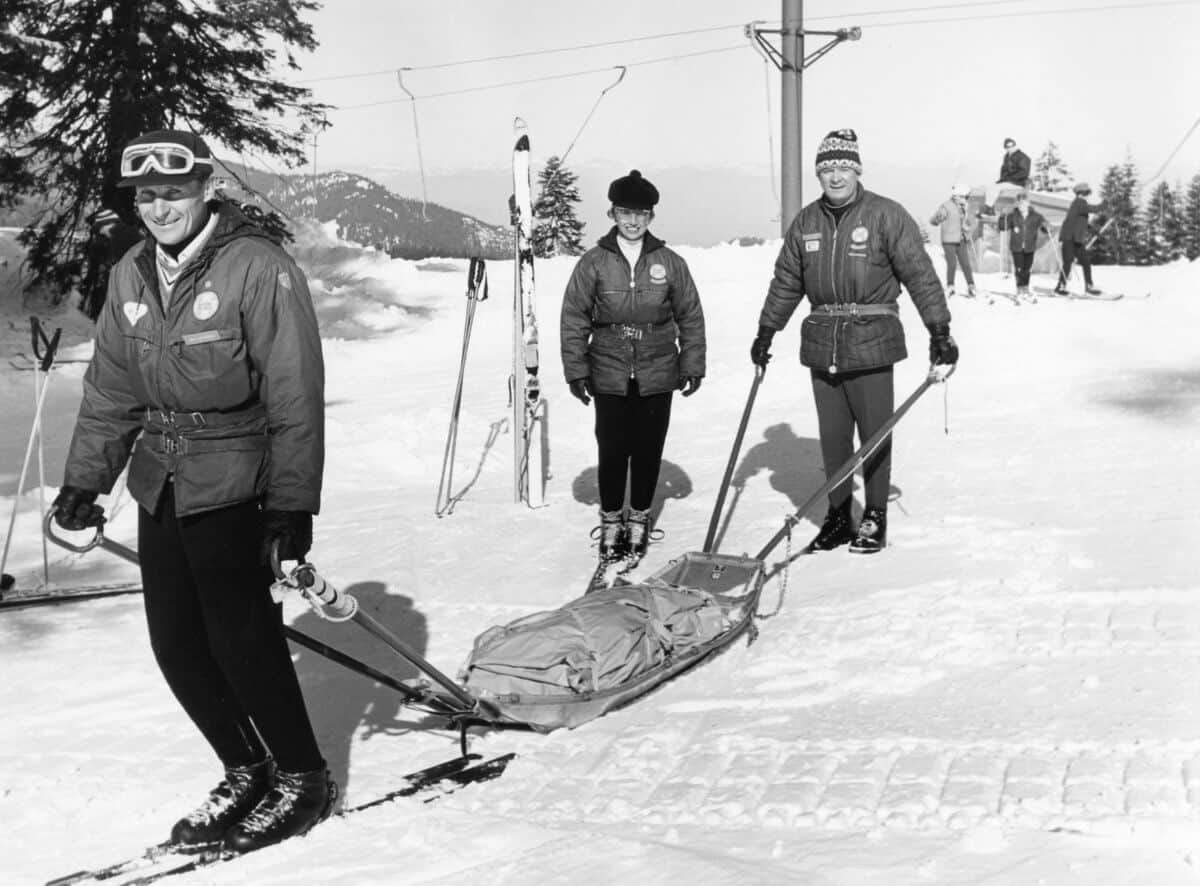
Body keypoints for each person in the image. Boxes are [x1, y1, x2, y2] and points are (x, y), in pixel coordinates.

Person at [53, 129, 335, 854]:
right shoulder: (132, 273)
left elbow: (295, 394)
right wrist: (87, 479)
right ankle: (247, 770)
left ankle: (303, 779)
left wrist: (292, 505)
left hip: (237, 477)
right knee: (176, 644)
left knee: (243, 640)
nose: (158, 207)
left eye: (173, 193)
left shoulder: (257, 267)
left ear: (206, 188)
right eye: (146, 196)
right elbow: (112, 387)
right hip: (161, 480)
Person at [749, 129, 958, 555]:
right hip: (823, 340)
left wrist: (940, 330)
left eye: (843, 167)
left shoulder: (886, 215)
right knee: (834, 436)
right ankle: (839, 515)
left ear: (857, 169)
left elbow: (920, 275)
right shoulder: (806, 222)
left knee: (875, 434)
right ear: (818, 174)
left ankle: (874, 515)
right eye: (827, 169)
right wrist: (767, 330)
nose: (835, 176)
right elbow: (787, 282)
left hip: (872, 338)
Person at [560, 169, 706, 568]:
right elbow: (574, 317)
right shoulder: (594, 263)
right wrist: (577, 369)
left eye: (641, 213)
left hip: (658, 367)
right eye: (625, 212)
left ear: (651, 217)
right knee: (612, 447)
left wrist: (692, 363)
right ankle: (611, 522)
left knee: (647, 448)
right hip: (608, 366)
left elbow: (690, 315)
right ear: (612, 213)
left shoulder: (669, 262)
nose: (633, 220)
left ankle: (639, 517)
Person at [999, 190, 1050, 302]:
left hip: (1030, 246)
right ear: (1017, 203)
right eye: (1019, 203)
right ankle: (1019, 288)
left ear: (1028, 203)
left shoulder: (1036, 216)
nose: (1021, 205)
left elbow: (1045, 228)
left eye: (1024, 202)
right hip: (1016, 246)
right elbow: (1002, 227)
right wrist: (1002, 216)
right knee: (1019, 268)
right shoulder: (1012, 216)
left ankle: (1025, 287)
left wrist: (1046, 226)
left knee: (1027, 269)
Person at [929, 184, 978, 298]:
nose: (965, 199)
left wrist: (968, 225)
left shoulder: (964, 207)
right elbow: (934, 221)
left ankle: (971, 287)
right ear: (957, 196)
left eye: (966, 197)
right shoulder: (946, 206)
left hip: (961, 239)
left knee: (966, 264)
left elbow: (969, 222)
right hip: (949, 240)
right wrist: (938, 218)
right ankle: (950, 286)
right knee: (952, 264)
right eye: (964, 197)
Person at [1055, 181, 1102, 295]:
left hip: (1076, 239)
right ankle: (1060, 287)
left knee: (1086, 262)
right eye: (1086, 193)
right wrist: (1106, 202)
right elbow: (1095, 209)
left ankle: (1089, 287)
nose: (1087, 195)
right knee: (1068, 262)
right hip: (1069, 238)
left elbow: (1081, 222)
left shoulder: (1080, 205)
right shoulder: (1079, 203)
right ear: (1081, 193)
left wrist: (1093, 230)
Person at [983, 137, 1032, 213]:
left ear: (1015, 145)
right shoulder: (1007, 156)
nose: (1010, 148)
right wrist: (1002, 179)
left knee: (995, 188)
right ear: (1005, 148)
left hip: (1018, 182)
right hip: (1008, 181)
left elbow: (1024, 172)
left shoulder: (1022, 157)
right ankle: (990, 208)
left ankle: (988, 209)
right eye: (1007, 147)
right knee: (990, 187)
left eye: (1012, 146)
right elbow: (1004, 170)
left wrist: (1010, 178)